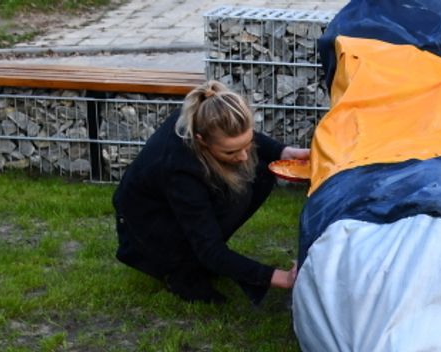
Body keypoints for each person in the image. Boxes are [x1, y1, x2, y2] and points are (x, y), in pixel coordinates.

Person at [112, 80, 309, 303]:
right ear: (201, 141)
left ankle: (204, 261)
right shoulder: (180, 170)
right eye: (231, 152)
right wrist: (280, 278)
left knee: (263, 172)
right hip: (147, 226)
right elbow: (209, 248)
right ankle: (183, 275)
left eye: (247, 144)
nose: (244, 156)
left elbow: (242, 140)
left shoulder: (203, 118)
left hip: (173, 203)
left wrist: (283, 151)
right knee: (207, 247)